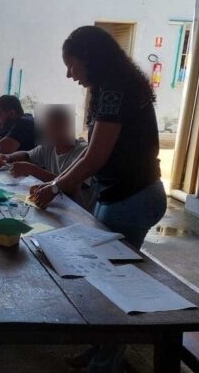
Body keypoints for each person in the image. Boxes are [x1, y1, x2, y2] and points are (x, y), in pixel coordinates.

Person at [31, 26, 167, 372]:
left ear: (89, 58)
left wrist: (56, 187)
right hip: (119, 194)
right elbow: (89, 152)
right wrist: (59, 182)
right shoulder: (110, 88)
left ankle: (106, 363)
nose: (69, 74)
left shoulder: (114, 91)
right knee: (102, 279)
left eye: (71, 64)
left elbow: (96, 157)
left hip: (133, 197)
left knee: (115, 282)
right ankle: (100, 353)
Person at [0, 104, 92, 209]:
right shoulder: (49, 146)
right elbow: (27, 155)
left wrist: (32, 170)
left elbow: (71, 188)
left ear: (66, 127)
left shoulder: (83, 151)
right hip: (55, 205)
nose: (45, 131)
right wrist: (8, 157)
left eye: (51, 127)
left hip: (77, 211)